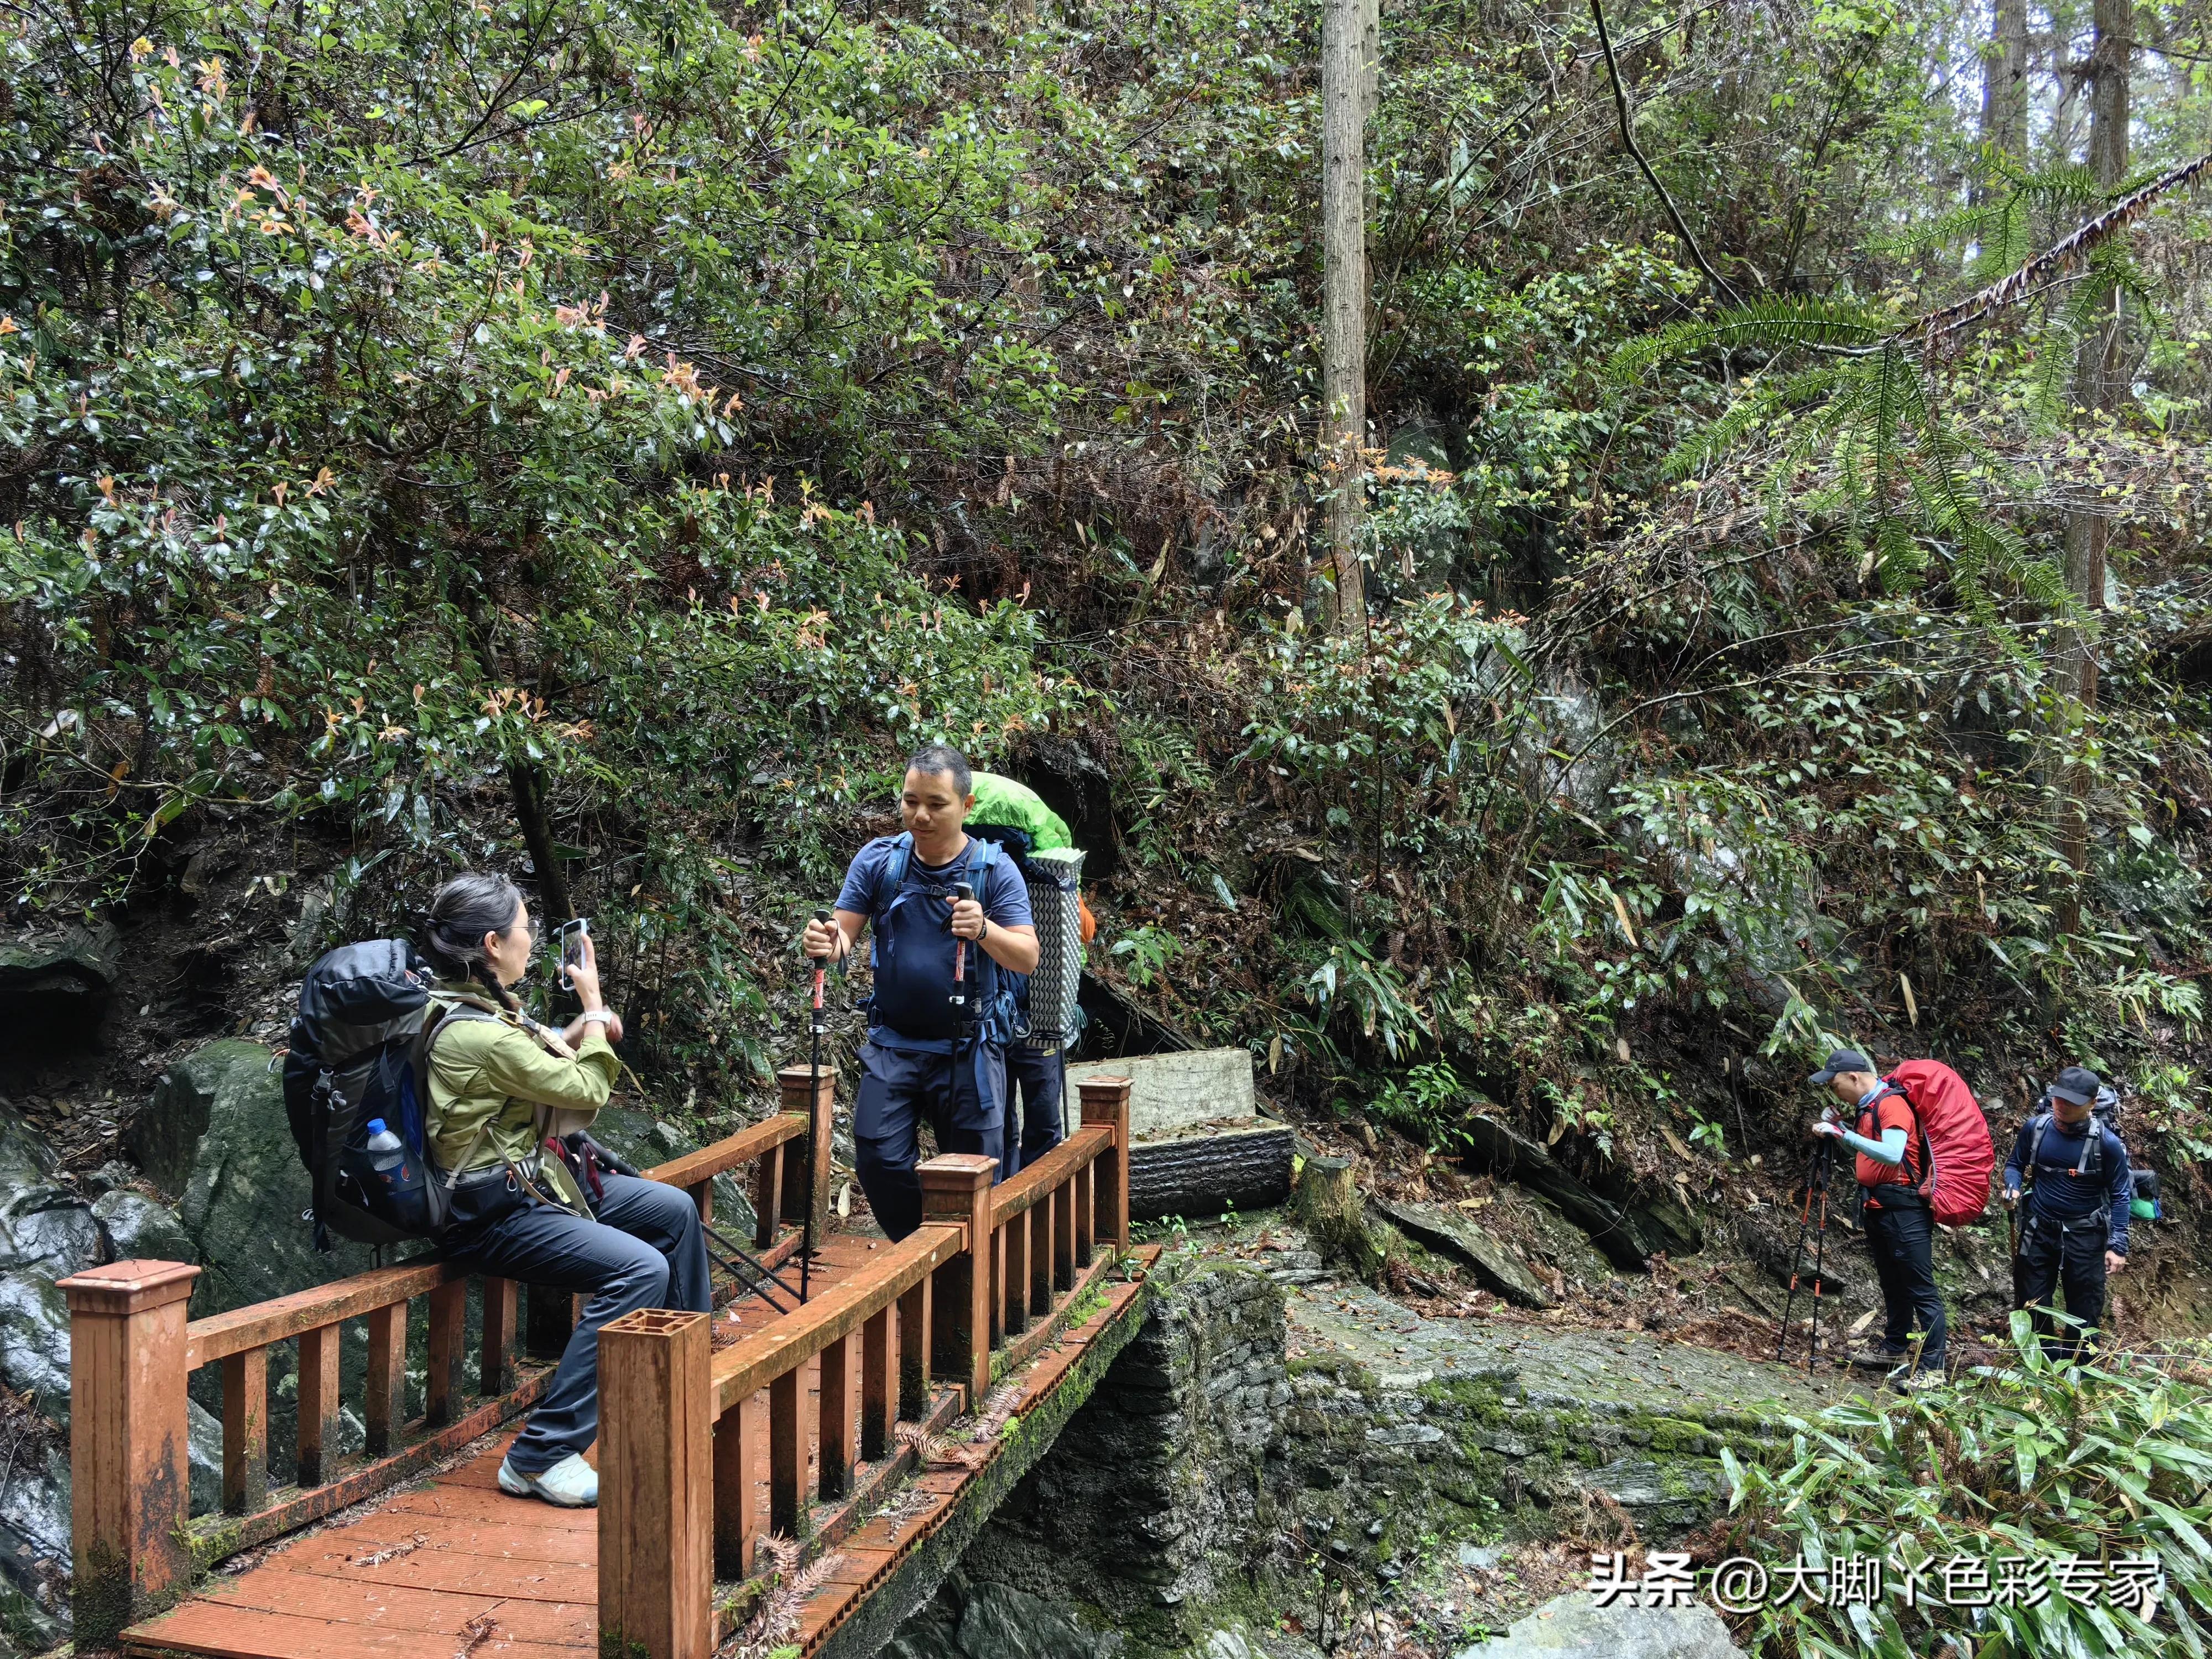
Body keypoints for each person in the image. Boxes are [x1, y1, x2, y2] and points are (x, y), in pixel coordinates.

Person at [418, 872, 710, 1509]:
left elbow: (544, 1060)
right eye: (527, 929)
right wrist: (597, 1006)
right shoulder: (476, 1030)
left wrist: (583, 1030)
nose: (534, 940)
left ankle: (679, 1384)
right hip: (487, 1211)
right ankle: (539, 1454)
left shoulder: (483, 1007)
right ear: (494, 943)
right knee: (638, 1270)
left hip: (533, 1181)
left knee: (673, 1212)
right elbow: (584, 1092)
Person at [804, 745, 1041, 1239]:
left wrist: (983, 931)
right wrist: (825, 942)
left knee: (975, 1174)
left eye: (936, 804)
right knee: (877, 1157)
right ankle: (922, 1255)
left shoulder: (995, 871)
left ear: (967, 806)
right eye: (911, 802)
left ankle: (967, 1275)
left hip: (969, 1047)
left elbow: (1027, 955)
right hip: (895, 1043)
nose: (921, 815)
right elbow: (842, 938)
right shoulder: (879, 862)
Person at [966, 770, 1093, 1177]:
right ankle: (1039, 1203)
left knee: (999, 1123)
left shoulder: (969, 885)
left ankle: (1003, 1198)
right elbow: (1083, 934)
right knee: (1042, 1120)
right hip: (1041, 1016)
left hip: (989, 1018)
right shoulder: (1051, 883)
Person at [1808, 1048, 1947, 1388]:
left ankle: (1934, 1371)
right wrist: (1839, 1128)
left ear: (1854, 1077)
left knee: (1920, 1289)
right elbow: (1867, 1153)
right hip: (1879, 1206)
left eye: (1836, 1084)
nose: (1834, 1091)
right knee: (1893, 1283)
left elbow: (1893, 1153)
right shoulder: (1867, 1107)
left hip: (1904, 1208)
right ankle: (1894, 1350)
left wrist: (1843, 1134)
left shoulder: (1890, 1104)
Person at [2004, 1065, 2131, 1361]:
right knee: (2032, 1300)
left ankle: (2080, 1373)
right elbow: (2015, 1163)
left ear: (2091, 1104)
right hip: (2038, 1228)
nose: (2061, 1107)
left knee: (2084, 1305)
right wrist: (2012, 1185)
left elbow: (2121, 1195)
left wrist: (2118, 1245)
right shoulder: (2035, 1129)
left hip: (2085, 1233)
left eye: (2072, 1103)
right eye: (2059, 1099)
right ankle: (2040, 1366)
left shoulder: (2108, 1145)